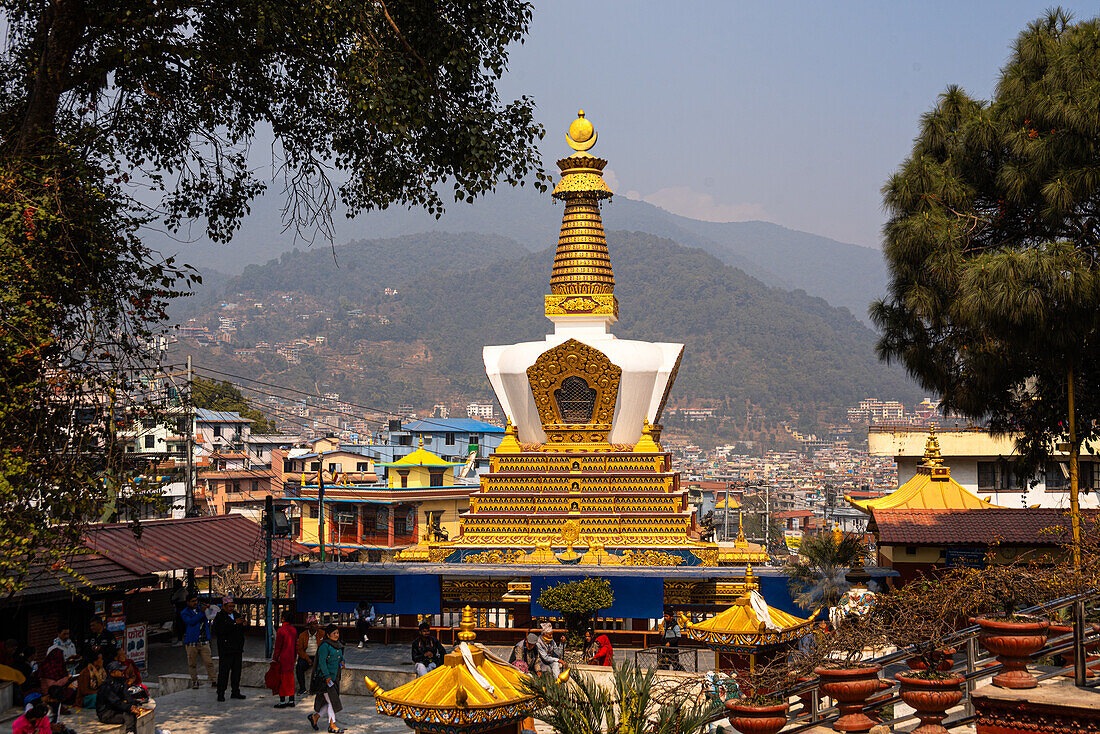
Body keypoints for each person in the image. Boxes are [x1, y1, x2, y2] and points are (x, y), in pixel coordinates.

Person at [308, 624, 345, 734]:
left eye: (337, 633)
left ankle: (315, 717)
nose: (336, 635)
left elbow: (341, 656)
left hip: (334, 678)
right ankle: (332, 725)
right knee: (333, 702)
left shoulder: (338, 645)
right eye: (334, 633)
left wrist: (342, 662)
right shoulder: (324, 646)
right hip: (325, 680)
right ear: (328, 635)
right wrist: (327, 677)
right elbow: (322, 663)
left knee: (329, 702)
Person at [213, 596, 248, 702]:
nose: (231, 608)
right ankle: (221, 692)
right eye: (229, 606)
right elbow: (220, 630)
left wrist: (244, 625)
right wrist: (234, 624)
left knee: (236, 672)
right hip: (226, 649)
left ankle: (235, 691)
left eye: (233, 606)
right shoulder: (220, 617)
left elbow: (242, 629)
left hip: (237, 648)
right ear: (224, 606)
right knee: (224, 672)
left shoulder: (237, 615)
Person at [180, 593, 217, 689]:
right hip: (192, 642)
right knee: (192, 664)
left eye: (196, 600)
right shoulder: (184, 612)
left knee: (209, 662)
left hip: (204, 641)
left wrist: (209, 608)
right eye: (193, 601)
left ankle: (214, 680)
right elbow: (191, 622)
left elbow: (213, 614)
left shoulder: (201, 609)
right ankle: (195, 681)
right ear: (188, 603)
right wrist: (201, 613)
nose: (195, 603)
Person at [96, 661, 142, 733]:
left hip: (117, 710)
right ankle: (130, 731)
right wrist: (130, 708)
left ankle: (130, 731)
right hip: (107, 714)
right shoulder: (106, 686)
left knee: (131, 713)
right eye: (120, 670)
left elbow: (127, 695)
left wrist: (134, 705)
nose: (122, 672)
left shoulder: (121, 681)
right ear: (113, 672)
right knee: (129, 714)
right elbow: (115, 702)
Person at [272, 610, 298, 708]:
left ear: (283, 618)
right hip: (291, 657)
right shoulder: (293, 630)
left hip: (282, 658)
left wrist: (275, 658)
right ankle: (291, 700)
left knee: (282, 679)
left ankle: (282, 701)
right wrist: (295, 656)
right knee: (290, 678)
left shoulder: (281, 630)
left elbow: (278, 646)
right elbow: (296, 645)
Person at [296, 616, 324, 695]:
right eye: (314, 624)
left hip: (318, 656)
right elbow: (300, 650)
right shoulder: (303, 635)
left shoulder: (322, 633)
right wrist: (307, 659)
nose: (316, 626)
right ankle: (302, 688)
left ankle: (316, 689)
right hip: (306, 656)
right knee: (299, 667)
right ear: (309, 626)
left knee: (320, 669)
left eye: (316, 623)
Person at [169, 579, 188, 647]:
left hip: (180, 610)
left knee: (179, 625)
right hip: (185, 610)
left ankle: (180, 640)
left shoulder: (179, 592)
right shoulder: (184, 591)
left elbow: (172, 600)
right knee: (183, 625)